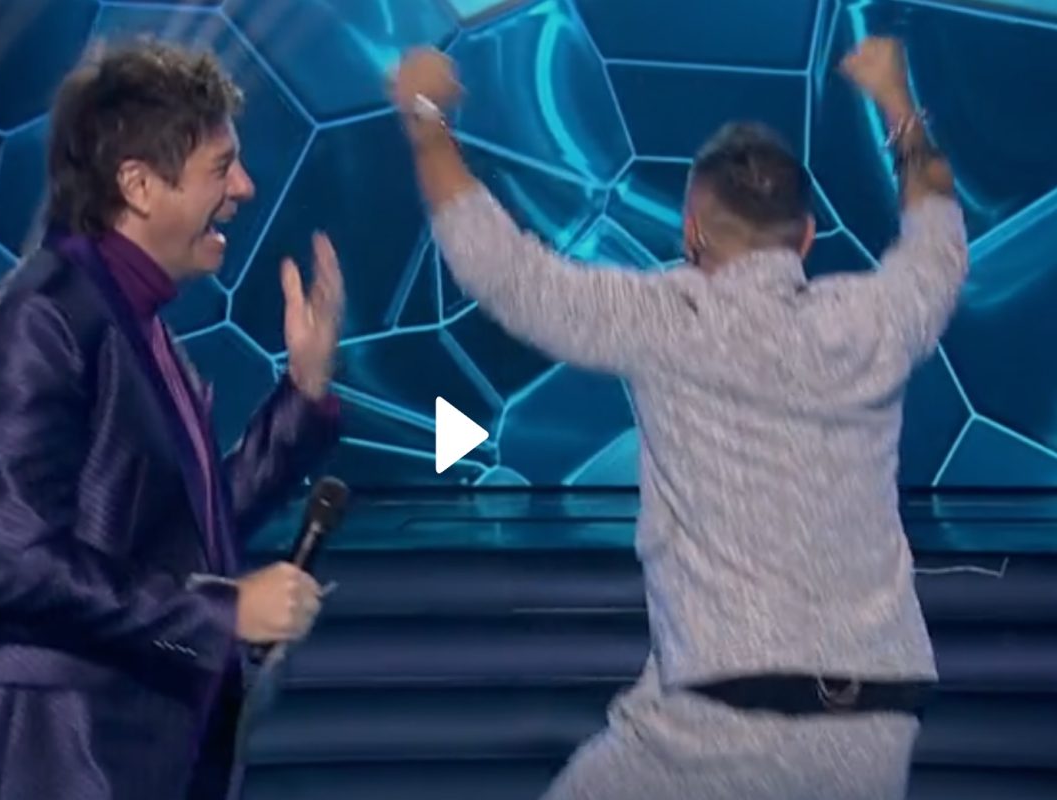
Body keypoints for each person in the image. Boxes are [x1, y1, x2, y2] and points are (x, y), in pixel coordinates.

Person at [392, 36, 966, 800]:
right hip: (877, 727)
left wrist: (427, 121)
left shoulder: (669, 318)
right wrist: (896, 99)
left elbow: (507, 273)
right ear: (806, 237)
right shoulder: (877, 320)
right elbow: (939, 242)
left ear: (692, 231)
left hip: (718, 726)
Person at [0, 40, 344, 800]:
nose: (244, 187)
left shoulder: (133, 327)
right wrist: (225, 613)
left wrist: (302, 395)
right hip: (43, 769)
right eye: (221, 167)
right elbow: (13, 565)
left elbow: (176, 536)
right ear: (138, 185)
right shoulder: (40, 325)